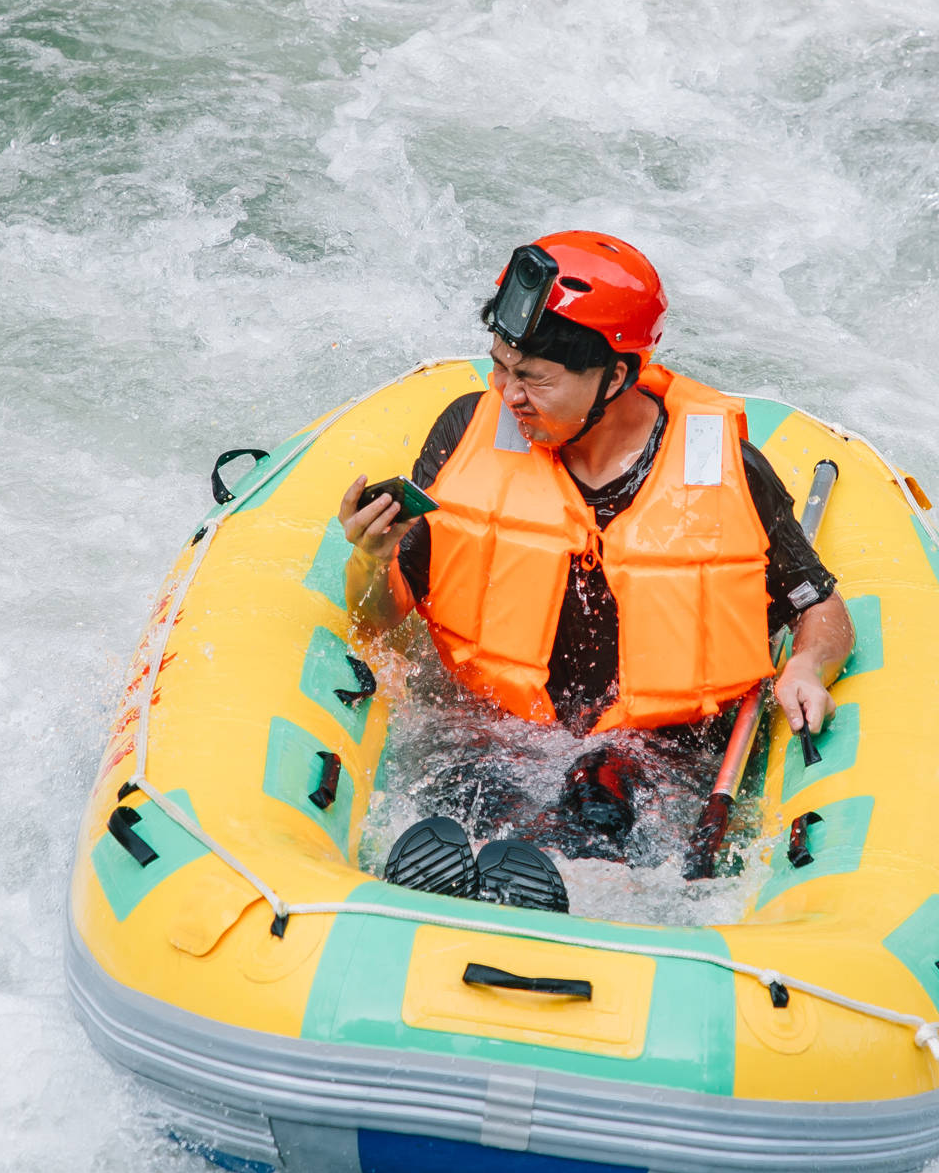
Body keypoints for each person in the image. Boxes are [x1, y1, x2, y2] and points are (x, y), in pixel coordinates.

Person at [334, 232, 853, 909]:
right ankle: (448, 889)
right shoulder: (465, 433)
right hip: (497, 727)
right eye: (501, 367)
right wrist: (371, 557)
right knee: (475, 797)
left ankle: (563, 894)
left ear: (616, 375)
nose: (508, 394)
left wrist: (808, 666)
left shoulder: (727, 473)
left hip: (648, 750)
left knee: (601, 803)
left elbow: (822, 609)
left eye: (534, 379)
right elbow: (378, 617)